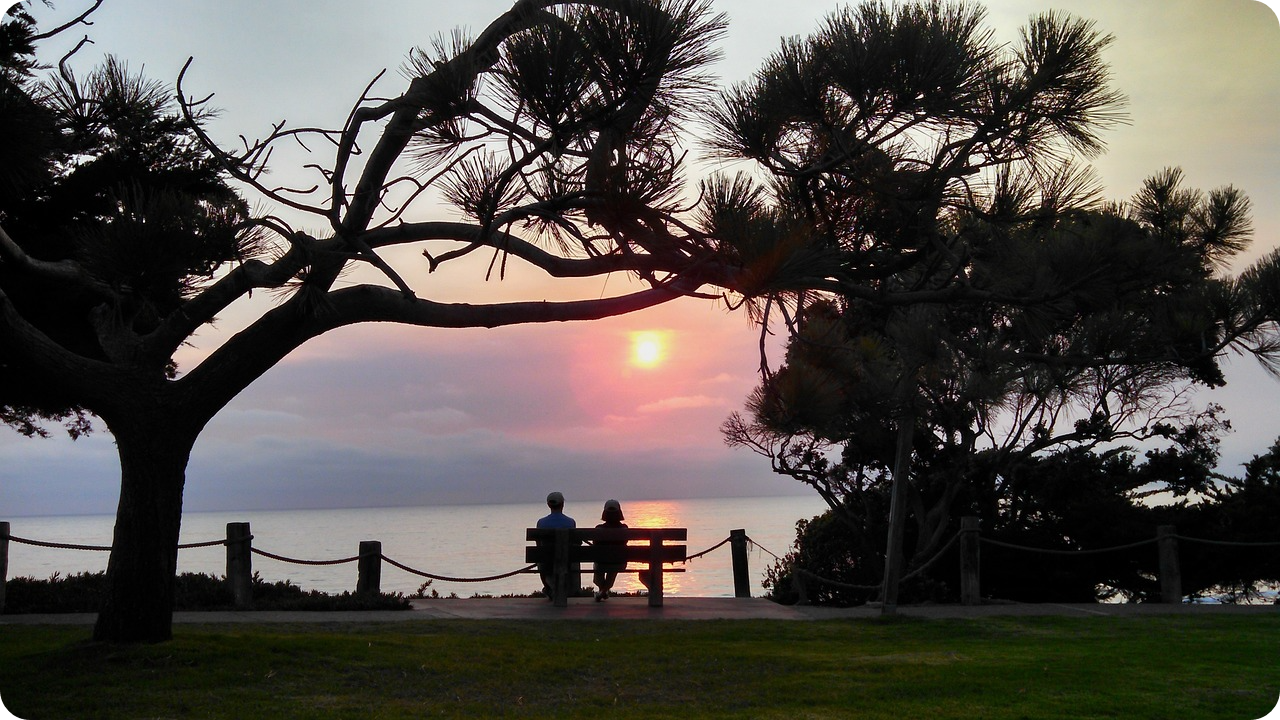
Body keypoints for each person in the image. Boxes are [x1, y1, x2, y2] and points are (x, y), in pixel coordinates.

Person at [536, 491, 575, 599]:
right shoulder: (570, 522)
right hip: (566, 559)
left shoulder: (541, 522)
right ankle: (558, 589)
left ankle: (548, 588)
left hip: (547, 560)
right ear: (563, 504)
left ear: (548, 505)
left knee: (541, 562)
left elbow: (538, 545)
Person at [592, 499, 627, 601]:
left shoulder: (598, 529)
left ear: (604, 513)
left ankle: (602, 591)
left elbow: (595, 545)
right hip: (619, 562)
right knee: (614, 564)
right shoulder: (624, 529)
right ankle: (604, 591)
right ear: (619, 512)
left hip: (601, 562)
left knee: (600, 563)